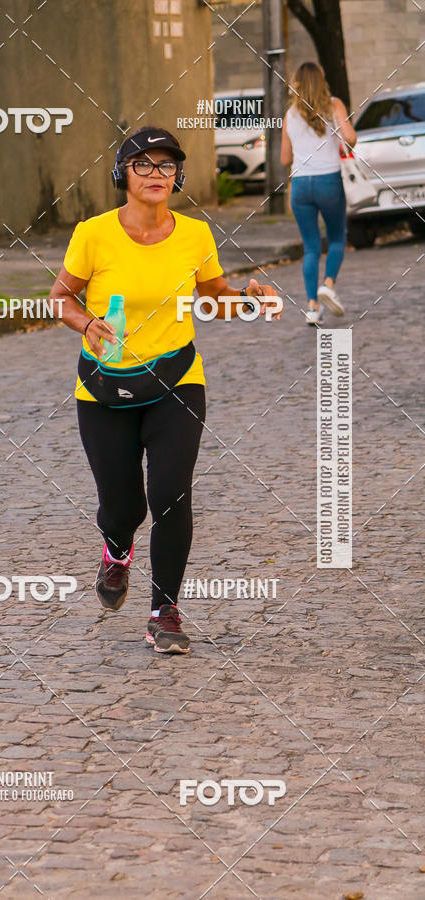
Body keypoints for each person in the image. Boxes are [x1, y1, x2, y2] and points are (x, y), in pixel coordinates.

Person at [48, 126, 281, 654]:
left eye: (166, 166)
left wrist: (246, 298)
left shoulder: (196, 234)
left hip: (177, 379)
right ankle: (116, 549)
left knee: (171, 495)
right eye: (143, 164)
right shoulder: (93, 233)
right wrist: (84, 323)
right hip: (105, 387)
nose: (156, 175)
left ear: (178, 175)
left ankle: (164, 612)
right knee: (122, 505)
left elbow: (212, 294)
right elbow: (60, 297)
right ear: (121, 174)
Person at [281, 61, 357, 325]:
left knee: (311, 247)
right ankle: (328, 284)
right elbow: (350, 138)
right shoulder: (334, 105)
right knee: (336, 238)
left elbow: (284, 158)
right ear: (321, 80)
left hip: (301, 185)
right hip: (329, 182)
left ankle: (312, 307)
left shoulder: (290, 114)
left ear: (297, 84)